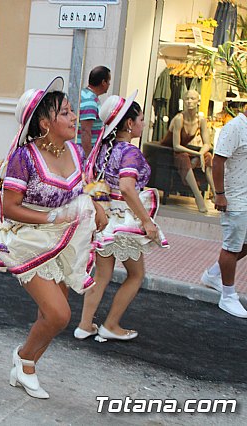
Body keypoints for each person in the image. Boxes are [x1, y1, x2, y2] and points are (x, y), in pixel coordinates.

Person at [0, 76, 107, 399]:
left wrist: (96, 206)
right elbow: (10, 208)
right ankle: (24, 360)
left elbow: (84, 187)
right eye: (65, 113)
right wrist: (51, 216)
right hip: (28, 242)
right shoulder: (25, 158)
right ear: (44, 122)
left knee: (50, 314)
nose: (74, 118)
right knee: (59, 314)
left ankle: (26, 366)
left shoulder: (76, 151)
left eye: (70, 112)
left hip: (65, 242)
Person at [76, 92, 169, 342]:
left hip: (106, 220)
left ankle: (85, 325)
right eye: (140, 118)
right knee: (136, 275)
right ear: (129, 124)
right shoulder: (130, 152)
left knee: (102, 275)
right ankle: (111, 325)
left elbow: (97, 185)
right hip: (124, 223)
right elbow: (128, 188)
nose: (144, 123)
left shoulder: (105, 149)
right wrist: (147, 222)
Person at [200, 107, 247, 318]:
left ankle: (213, 274)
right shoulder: (235, 127)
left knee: (242, 245)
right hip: (235, 199)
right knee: (231, 247)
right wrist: (219, 194)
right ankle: (228, 296)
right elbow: (218, 161)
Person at [160, 89, 215, 213]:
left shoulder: (201, 120)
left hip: (184, 149)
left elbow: (207, 143)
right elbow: (176, 146)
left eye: (192, 98)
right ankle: (198, 197)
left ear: (198, 101)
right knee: (183, 157)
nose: (189, 101)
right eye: (187, 98)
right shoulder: (179, 118)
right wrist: (197, 154)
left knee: (208, 156)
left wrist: (201, 154)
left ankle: (215, 193)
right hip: (169, 150)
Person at [77, 66, 111, 156]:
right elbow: (86, 131)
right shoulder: (90, 101)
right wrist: (88, 158)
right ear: (103, 82)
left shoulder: (86, 95)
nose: (109, 85)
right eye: (109, 81)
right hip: (83, 153)